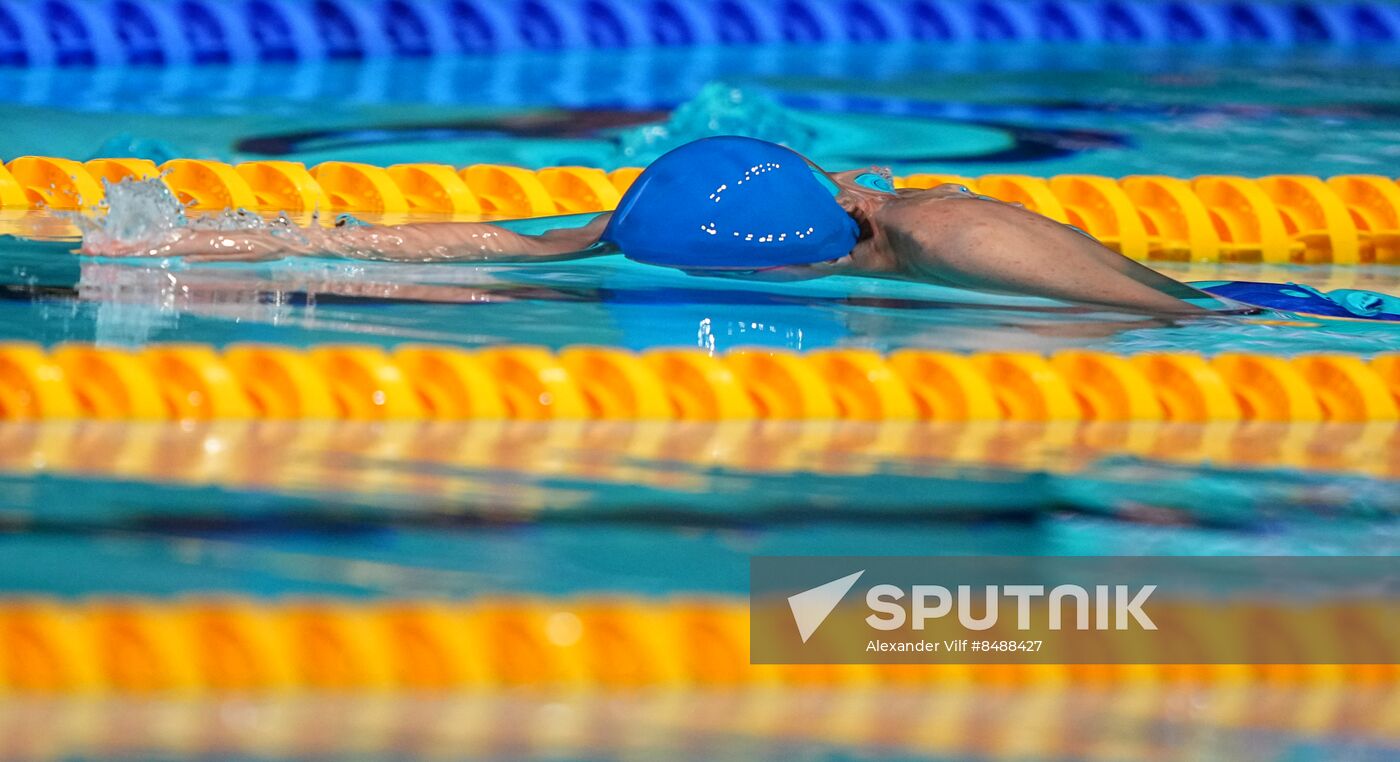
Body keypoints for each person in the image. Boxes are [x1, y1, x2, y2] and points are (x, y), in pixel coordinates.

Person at [80, 136, 1398, 321]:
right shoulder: (623, 226)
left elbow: (1187, 322)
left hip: (1289, 314)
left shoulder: (949, 230)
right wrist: (160, 242)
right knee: (525, 270)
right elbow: (427, 245)